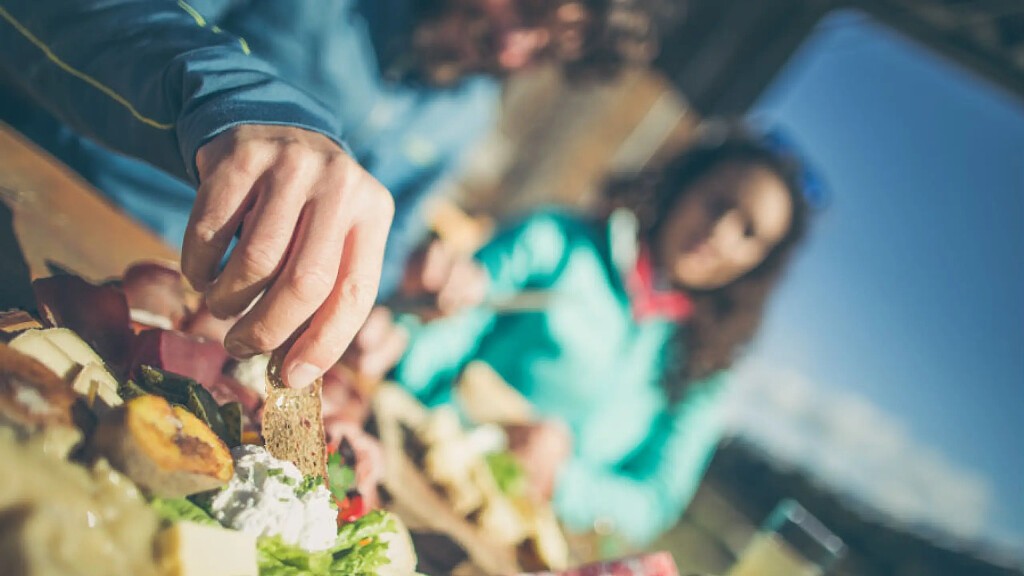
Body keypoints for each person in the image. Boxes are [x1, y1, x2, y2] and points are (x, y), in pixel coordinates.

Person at [0, 0, 672, 389]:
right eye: (527, 6)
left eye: (545, 46)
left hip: (179, 322)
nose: (512, 43)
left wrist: (404, 283)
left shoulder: (467, 114)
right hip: (50, 203)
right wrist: (244, 103)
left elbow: (386, 236)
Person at [342, 121, 819, 545]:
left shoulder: (707, 369)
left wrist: (563, 478)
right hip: (409, 475)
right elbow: (442, 340)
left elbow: (655, 502)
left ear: (759, 263)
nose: (720, 231)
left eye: (748, 232)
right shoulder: (555, 241)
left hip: (517, 551)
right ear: (686, 184)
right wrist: (408, 330)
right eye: (718, 202)